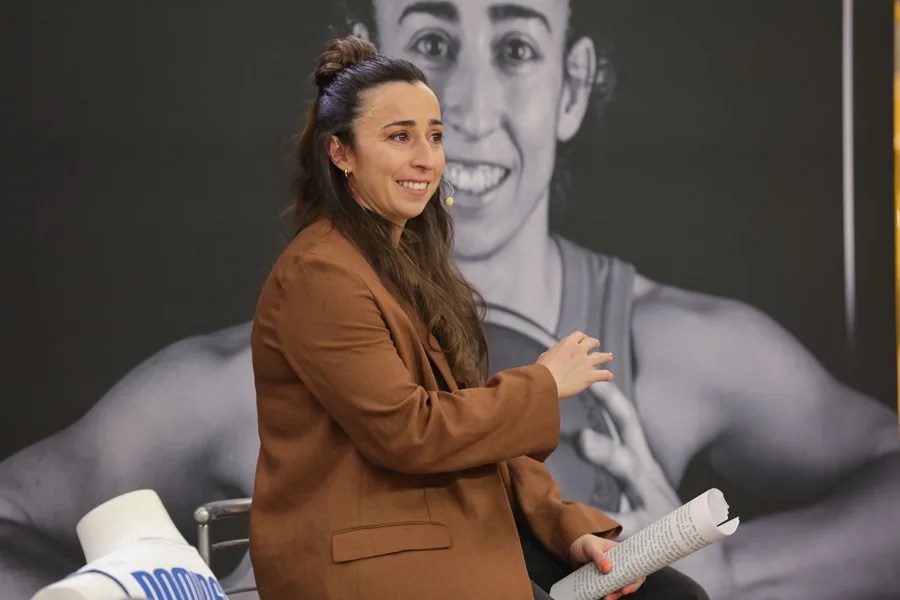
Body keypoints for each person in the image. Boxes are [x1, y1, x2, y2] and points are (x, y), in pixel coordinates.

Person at [1, 1, 898, 598]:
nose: (461, 114)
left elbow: (493, 460)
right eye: (430, 46)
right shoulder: (251, 354)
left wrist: (725, 568)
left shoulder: (687, 349)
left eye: (514, 48)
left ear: (572, 86)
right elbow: (417, 434)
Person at [248, 34, 703, 600]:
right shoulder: (320, 275)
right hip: (378, 559)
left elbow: (486, 442)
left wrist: (571, 530)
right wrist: (543, 384)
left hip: (446, 530)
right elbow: (410, 433)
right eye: (398, 138)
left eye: (434, 137)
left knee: (671, 595)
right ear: (340, 152)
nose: (425, 158)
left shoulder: (404, 264)